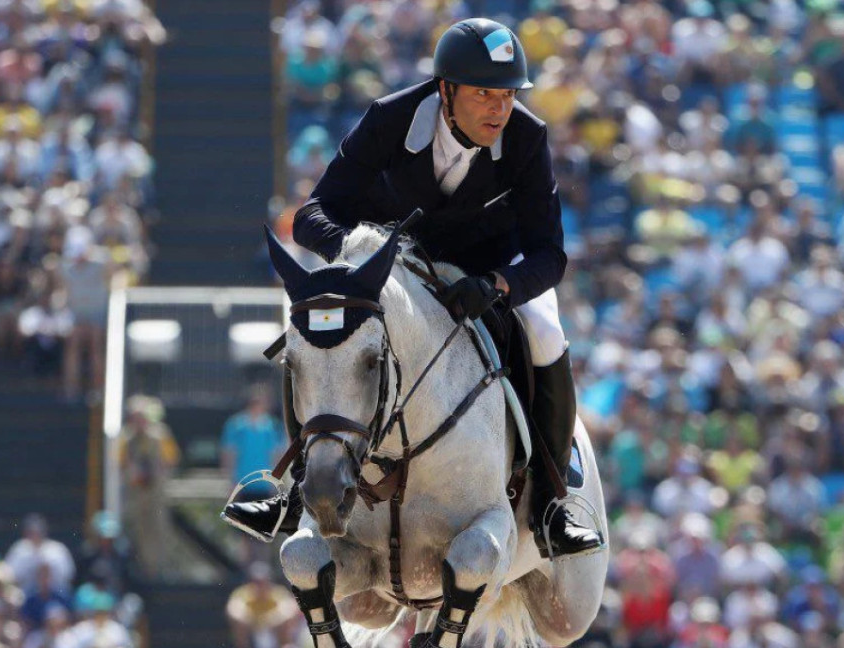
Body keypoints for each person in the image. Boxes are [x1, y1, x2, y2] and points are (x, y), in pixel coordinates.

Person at [223, 18, 604, 560]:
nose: (500, 110)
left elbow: (550, 254)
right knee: (316, 323)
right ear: (446, 89)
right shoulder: (390, 118)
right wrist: (362, 253)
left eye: (507, 95)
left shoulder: (526, 136)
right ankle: (296, 490)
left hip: (484, 273)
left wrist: (497, 285)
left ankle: (552, 500)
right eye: (484, 95)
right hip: (392, 275)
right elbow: (313, 213)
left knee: (545, 327)